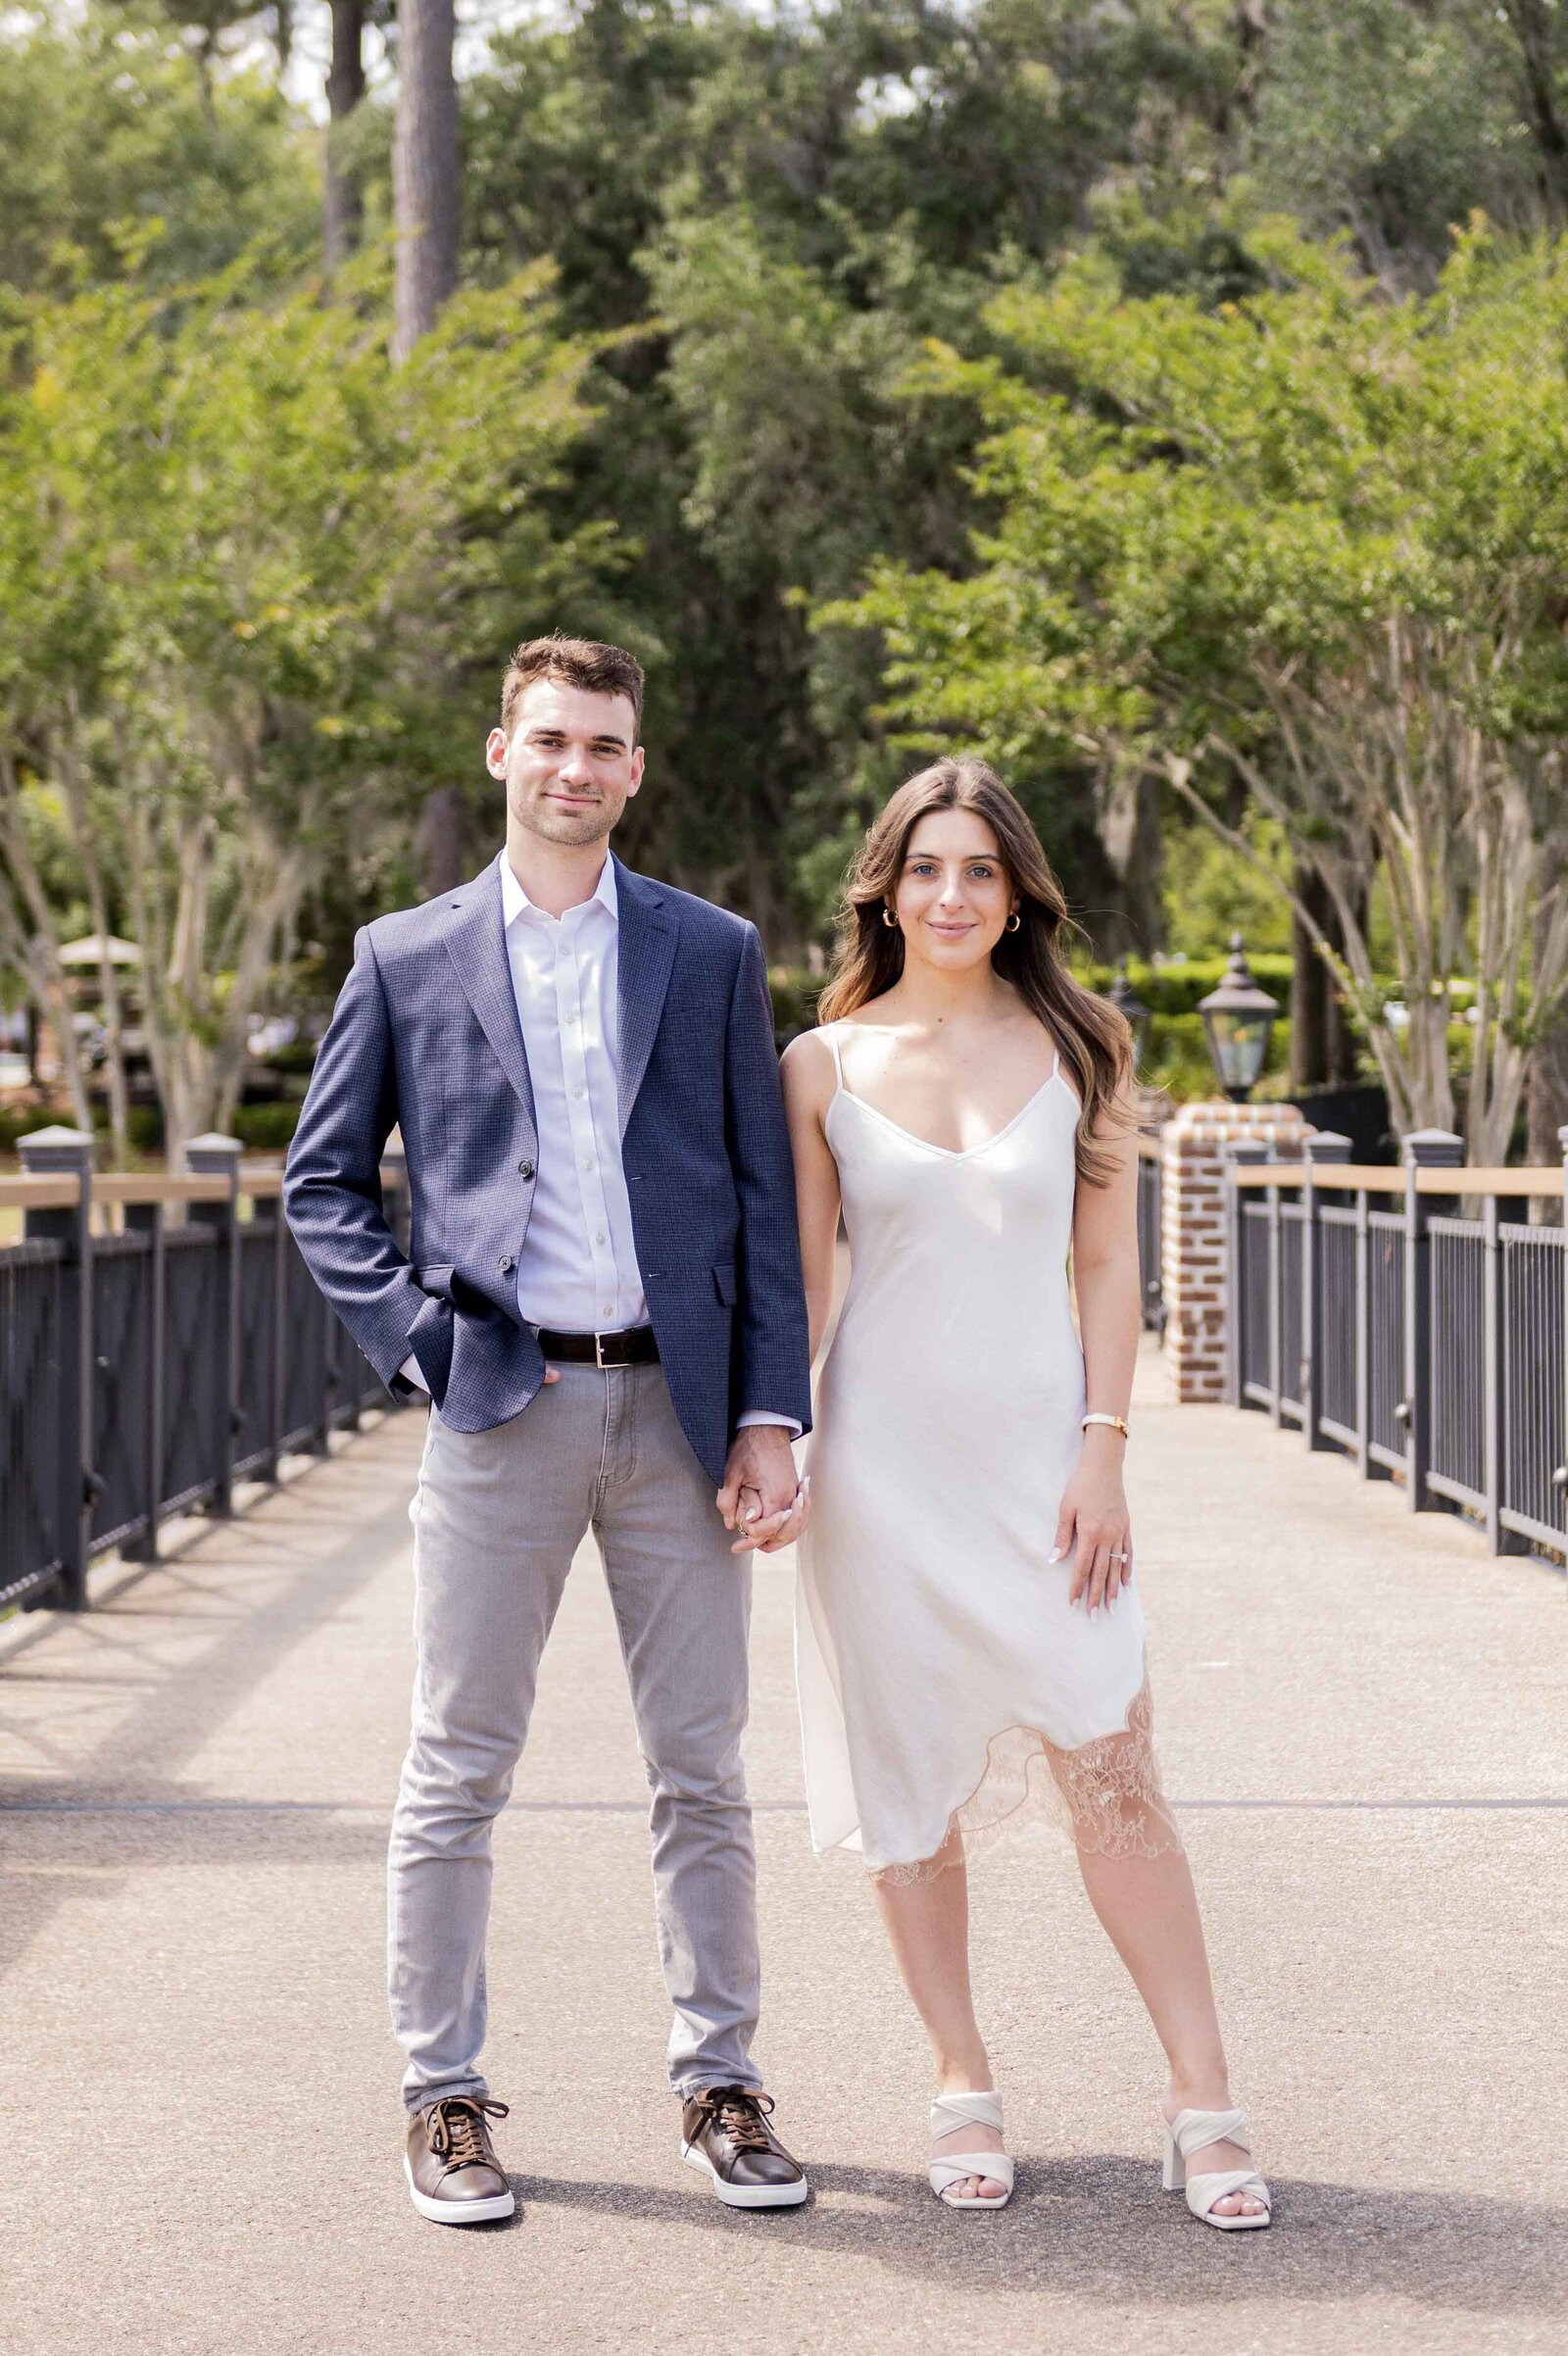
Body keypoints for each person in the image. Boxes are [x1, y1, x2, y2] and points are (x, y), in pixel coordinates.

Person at [284, 635, 813, 2223]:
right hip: (499, 1402)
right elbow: (324, 1186)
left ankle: (720, 2084)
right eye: (552, 739)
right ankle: (441, 2100)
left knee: (704, 1769)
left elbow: (762, 1205)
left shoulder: (710, 951)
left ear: (636, 770)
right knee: (455, 1766)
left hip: (679, 1407)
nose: (577, 767)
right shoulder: (405, 953)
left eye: (605, 745)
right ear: (500, 752)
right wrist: (422, 1349)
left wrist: (771, 1414)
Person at [781, 759, 1271, 2231]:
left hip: (1046, 1468)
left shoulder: (1084, 1048)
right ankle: (960, 2076)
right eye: (925, 869)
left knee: (1115, 1763)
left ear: (1017, 895)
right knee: (908, 1783)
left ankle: (1203, 2100)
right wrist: (782, 1445)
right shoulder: (821, 1064)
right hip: (879, 1471)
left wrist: (1106, 1443)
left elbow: (1109, 1263)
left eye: (979, 871)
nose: (950, 894)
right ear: (885, 887)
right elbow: (812, 1283)